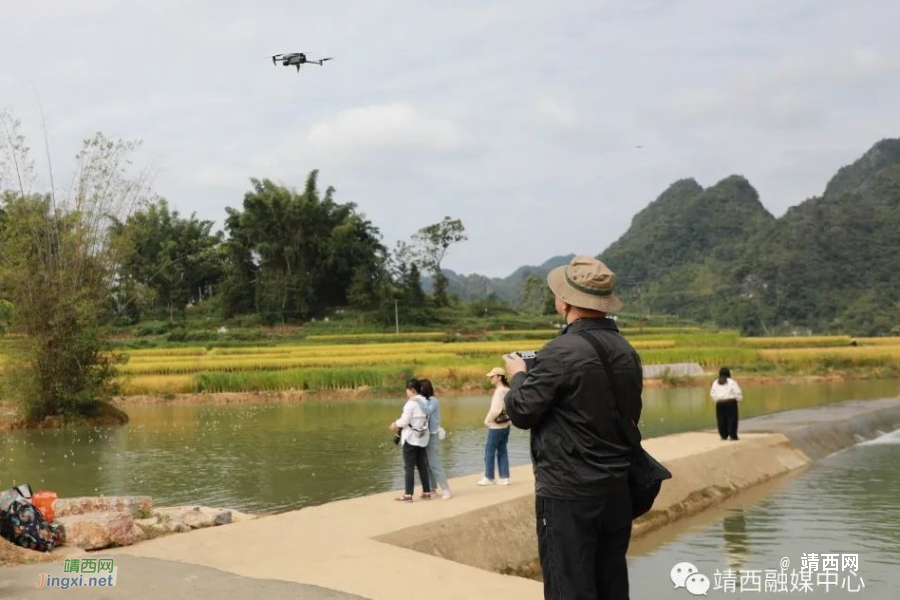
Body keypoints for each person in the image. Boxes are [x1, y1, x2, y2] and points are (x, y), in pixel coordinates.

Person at [503, 255, 643, 600]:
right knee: (611, 584)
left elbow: (521, 412)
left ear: (564, 301)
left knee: (570, 588)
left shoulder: (560, 352)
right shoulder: (626, 351)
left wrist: (518, 375)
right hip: (616, 489)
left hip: (569, 494)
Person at [389, 378, 433, 502]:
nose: (406, 393)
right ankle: (426, 492)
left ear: (413, 390)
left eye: (407, 390)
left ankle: (408, 495)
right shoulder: (425, 401)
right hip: (423, 437)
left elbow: (404, 421)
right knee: (422, 466)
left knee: (409, 467)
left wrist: (394, 424)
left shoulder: (411, 403)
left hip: (411, 438)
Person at [417, 379, 452, 499]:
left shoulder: (433, 401)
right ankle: (432, 489)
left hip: (433, 435)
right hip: (424, 435)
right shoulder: (424, 401)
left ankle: (446, 489)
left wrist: (416, 399)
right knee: (426, 464)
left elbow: (428, 410)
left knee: (434, 463)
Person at [478, 366, 511, 486]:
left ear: (499, 377)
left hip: (496, 426)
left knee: (489, 451)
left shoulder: (499, 391)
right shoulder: (508, 389)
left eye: (493, 376)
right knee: (502, 450)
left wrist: (487, 420)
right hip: (506, 424)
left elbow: (495, 410)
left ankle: (489, 477)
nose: (491, 378)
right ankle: (505, 477)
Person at [710, 367, 742, 441]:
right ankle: (733, 436)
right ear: (728, 374)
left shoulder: (715, 382)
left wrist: (717, 400)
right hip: (730, 402)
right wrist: (738, 400)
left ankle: (723, 435)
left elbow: (712, 393)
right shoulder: (732, 382)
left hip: (720, 403)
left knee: (721, 420)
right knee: (732, 419)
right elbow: (737, 392)